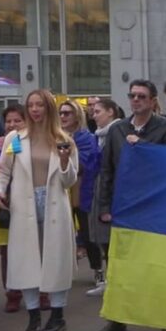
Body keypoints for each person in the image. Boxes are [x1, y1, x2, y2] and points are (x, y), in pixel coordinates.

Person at [94, 80, 166, 331]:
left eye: (142, 96)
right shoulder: (118, 129)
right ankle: (117, 320)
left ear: (153, 100)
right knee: (121, 267)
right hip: (125, 206)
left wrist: (143, 146)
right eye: (132, 96)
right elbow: (107, 169)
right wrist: (105, 206)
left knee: (161, 267)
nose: (136, 100)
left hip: (156, 207)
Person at [0, 90, 79, 331]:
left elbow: (69, 180)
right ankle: (33, 315)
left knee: (55, 259)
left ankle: (57, 314)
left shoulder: (64, 139)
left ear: (49, 108)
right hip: (24, 203)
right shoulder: (15, 138)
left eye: (40, 105)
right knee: (27, 259)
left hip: (53, 203)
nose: (35, 110)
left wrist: (64, 162)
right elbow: (2, 169)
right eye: (31, 105)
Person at [0, 105, 26, 312]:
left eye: (17, 120)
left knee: (34, 248)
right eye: (9, 121)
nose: (12, 125)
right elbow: (0, 170)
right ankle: (12, 292)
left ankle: (42, 291)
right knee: (7, 250)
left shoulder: (35, 141)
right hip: (9, 204)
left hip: (31, 202)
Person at [58, 100, 103, 288]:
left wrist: (69, 157)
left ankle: (98, 270)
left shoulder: (86, 137)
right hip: (60, 192)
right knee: (60, 234)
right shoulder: (54, 136)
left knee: (87, 234)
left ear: (77, 116)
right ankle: (63, 270)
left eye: (67, 113)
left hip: (81, 192)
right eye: (61, 113)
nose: (63, 116)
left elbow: (86, 165)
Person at [86, 98, 124, 297]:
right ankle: (110, 279)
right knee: (102, 239)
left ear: (111, 112)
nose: (94, 115)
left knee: (111, 240)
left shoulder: (117, 133)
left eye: (98, 111)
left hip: (111, 192)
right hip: (98, 189)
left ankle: (116, 282)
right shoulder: (98, 136)